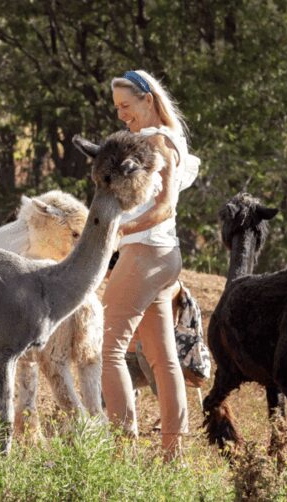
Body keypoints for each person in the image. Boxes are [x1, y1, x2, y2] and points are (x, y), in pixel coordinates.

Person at [101, 69, 199, 460]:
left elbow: (165, 208)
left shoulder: (157, 141)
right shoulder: (159, 139)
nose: (122, 114)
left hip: (144, 253)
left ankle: (121, 451)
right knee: (162, 357)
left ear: (148, 99)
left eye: (126, 106)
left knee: (106, 350)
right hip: (164, 256)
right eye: (117, 108)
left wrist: (119, 232)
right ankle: (173, 455)